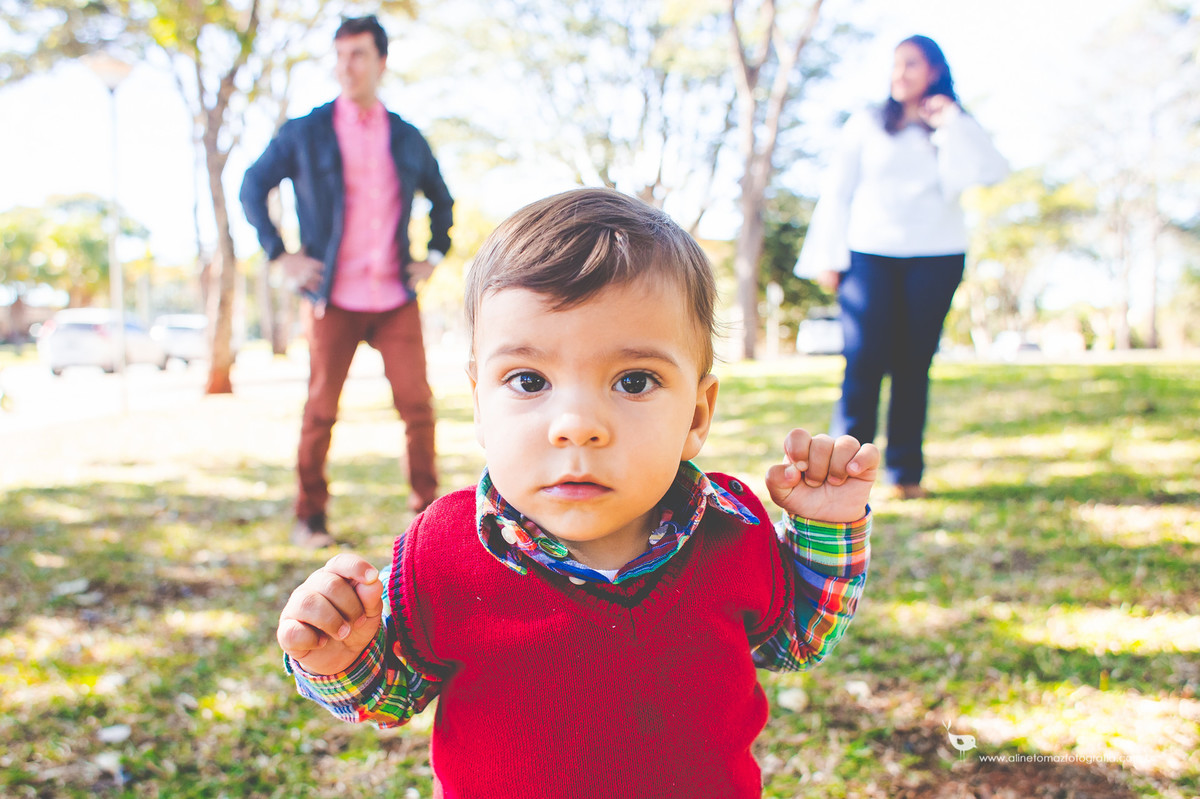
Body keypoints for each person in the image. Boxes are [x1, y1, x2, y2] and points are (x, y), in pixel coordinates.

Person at [275, 188, 878, 797]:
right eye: (530, 380)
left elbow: (798, 638)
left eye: (634, 380)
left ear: (697, 414)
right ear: (481, 405)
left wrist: (828, 529)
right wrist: (340, 657)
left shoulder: (732, 531)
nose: (577, 424)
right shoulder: (446, 552)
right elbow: (391, 694)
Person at [240, 15, 453, 548]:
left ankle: (426, 520)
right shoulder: (306, 131)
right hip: (332, 297)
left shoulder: (405, 137)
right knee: (320, 410)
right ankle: (310, 517)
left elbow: (442, 200)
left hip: (395, 297)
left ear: (381, 61)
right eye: (339, 56)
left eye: (357, 55)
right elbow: (252, 185)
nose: (346, 67)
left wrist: (433, 254)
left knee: (418, 408)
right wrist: (281, 255)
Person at [795, 35, 1008, 500]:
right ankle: (843, 474)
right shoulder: (868, 123)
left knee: (914, 365)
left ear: (934, 70)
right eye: (895, 65)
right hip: (869, 255)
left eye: (911, 64)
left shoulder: (952, 124)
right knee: (864, 363)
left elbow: (993, 169)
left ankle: (905, 475)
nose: (900, 73)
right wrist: (828, 257)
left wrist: (951, 117)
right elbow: (838, 191)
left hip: (937, 256)